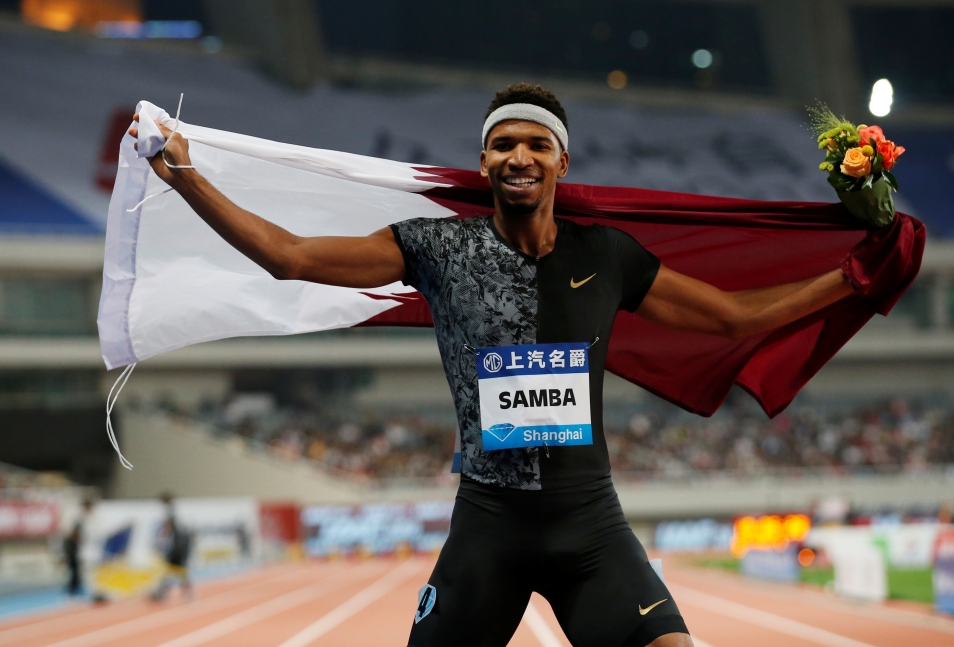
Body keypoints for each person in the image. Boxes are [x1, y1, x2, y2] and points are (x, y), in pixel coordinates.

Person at [131, 83, 855, 647]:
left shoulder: (606, 255)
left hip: (590, 525)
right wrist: (185, 176)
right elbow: (288, 257)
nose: (520, 157)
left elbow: (734, 318)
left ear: (562, 162)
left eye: (537, 144)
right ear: (483, 162)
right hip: (489, 527)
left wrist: (854, 280)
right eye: (503, 144)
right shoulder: (437, 248)